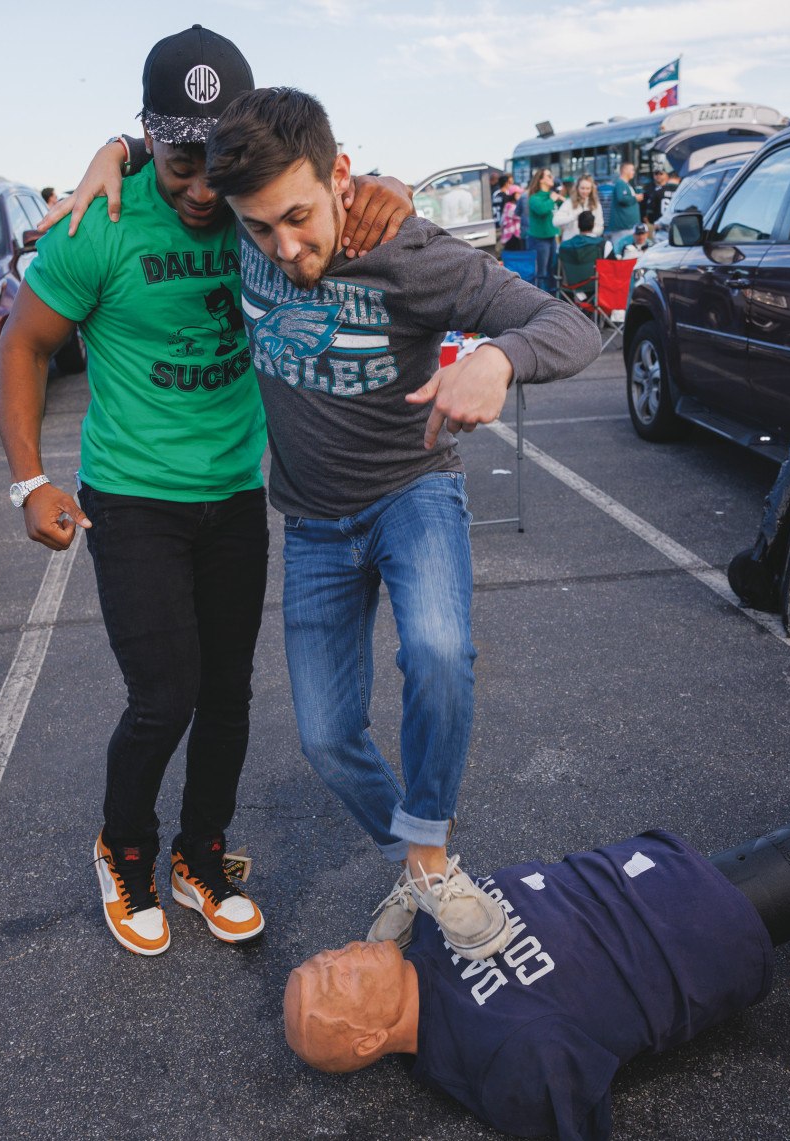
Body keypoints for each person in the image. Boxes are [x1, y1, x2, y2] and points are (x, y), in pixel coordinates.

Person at [0, 26, 412, 958]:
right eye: (175, 156)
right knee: (164, 694)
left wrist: (383, 190)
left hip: (233, 494)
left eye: (210, 160)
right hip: (132, 499)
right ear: (149, 134)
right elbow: (22, 346)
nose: (194, 186)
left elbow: (339, 201)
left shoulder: (256, 207)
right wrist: (29, 479)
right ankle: (125, 847)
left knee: (227, 694)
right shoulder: (100, 222)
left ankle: (201, 854)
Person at [202, 88, 602, 960]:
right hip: (311, 521)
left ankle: (422, 857)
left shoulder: (411, 252)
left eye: (301, 218)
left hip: (411, 491)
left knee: (436, 652)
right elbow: (169, 147)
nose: (285, 247)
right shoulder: (244, 222)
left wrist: (499, 355)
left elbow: (570, 325)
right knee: (325, 734)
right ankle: (426, 864)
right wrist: (106, 158)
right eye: (262, 229)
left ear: (341, 177)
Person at [283, 831, 773, 1140]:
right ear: (369, 1039)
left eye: (326, 955)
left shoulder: (428, 927)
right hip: (717, 928)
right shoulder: (500, 1062)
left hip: (656, 859)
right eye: (339, 975)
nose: (343, 950)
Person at [526, 167, 562, 292]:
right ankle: (540, 300)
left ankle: (554, 300)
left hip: (553, 237)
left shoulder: (552, 195)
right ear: (541, 180)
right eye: (549, 176)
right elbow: (541, 210)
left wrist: (561, 200)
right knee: (542, 273)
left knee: (553, 271)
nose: (552, 178)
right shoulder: (534, 198)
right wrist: (552, 199)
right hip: (540, 240)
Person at [554, 174, 604, 243]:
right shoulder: (569, 203)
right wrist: (572, 217)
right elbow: (555, 221)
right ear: (577, 188)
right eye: (582, 188)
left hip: (588, 244)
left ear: (592, 189)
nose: (585, 191)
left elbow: (600, 227)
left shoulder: (596, 205)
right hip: (571, 243)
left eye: (588, 188)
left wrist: (588, 231)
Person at [608, 160, 643, 243]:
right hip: (623, 229)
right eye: (632, 170)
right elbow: (621, 199)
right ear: (624, 170)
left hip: (628, 228)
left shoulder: (626, 184)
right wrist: (635, 198)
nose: (633, 172)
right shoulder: (620, 183)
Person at [498, 183, 524, 250]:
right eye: (518, 193)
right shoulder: (509, 206)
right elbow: (516, 216)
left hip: (515, 235)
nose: (520, 195)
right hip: (511, 235)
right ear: (513, 194)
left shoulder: (513, 205)